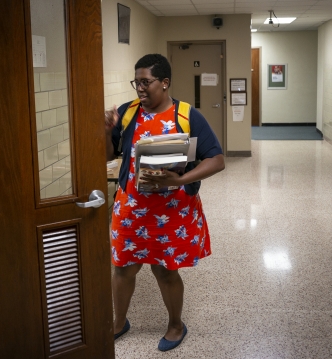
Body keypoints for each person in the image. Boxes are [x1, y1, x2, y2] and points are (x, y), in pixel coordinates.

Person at [104, 54, 225, 351]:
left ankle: (175, 325)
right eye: (137, 83)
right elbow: (108, 155)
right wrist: (107, 131)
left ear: (165, 82)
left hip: (171, 211)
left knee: (165, 270)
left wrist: (180, 181)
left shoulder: (186, 115)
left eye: (146, 82)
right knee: (123, 268)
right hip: (131, 208)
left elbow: (217, 159)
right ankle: (119, 321)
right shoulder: (128, 112)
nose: (140, 89)